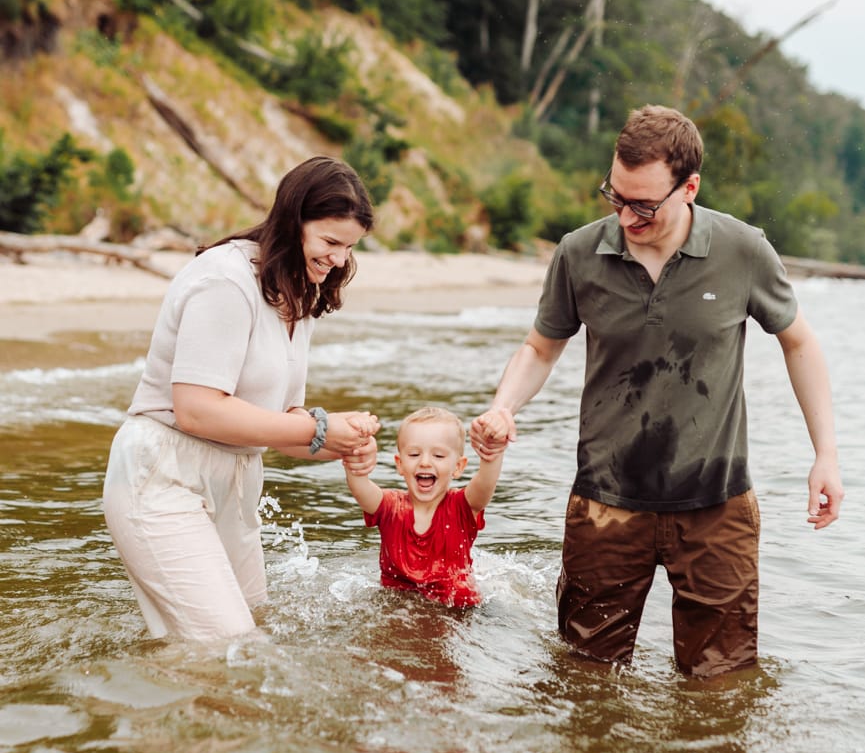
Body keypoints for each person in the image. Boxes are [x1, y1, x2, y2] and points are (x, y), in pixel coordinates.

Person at [471, 105, 844, 678]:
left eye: (643, 204)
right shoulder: (578, 253)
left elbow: (799, 343)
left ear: (689, 187)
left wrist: (826, 455)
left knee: (721, 687)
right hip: (605, 504)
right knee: (584, 677)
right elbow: (541, 348)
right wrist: (503, 405)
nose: (625, 216)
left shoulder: (743, 250)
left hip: (716, 505)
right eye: (614, 196)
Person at [103, 156, 380, 642]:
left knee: (252, 632)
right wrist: (316, 428)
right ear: (293, 221)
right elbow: (197, 409)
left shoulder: (300, 294)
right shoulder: (225, 280)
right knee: (230, 646)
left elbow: (275, 424)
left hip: (235, 480)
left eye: (350, 247)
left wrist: (340, 443)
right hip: (162, 473)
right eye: (330, 242)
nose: (339, 259)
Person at [344, 405, 505, 607]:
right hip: (399, 605)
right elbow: (360, 486)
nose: (425, 463)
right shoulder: (389, 507)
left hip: (456, 611)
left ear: (458, 467)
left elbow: (484, 484)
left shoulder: (462, 506)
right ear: (400, 464)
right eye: (414, 455)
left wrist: (492, 454)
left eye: (438, 456)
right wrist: (354, 451)